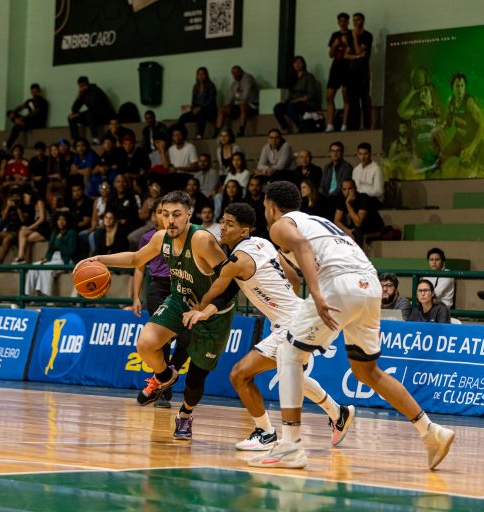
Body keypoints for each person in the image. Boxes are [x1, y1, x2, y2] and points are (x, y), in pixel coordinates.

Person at [244, 181, 454, 470]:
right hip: (369, 284)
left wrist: (316, 293)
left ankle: (290, 445)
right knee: (367, 371)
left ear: (270, 206)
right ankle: (431, 431)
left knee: (288, 354)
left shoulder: (280, 225)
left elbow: (302, 246)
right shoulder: (321, 222)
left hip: (338, 283)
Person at [183, 203, 355, 451]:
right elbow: (294, 278)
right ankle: (338, 413)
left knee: (239, 375)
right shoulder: (264, 243)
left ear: (244, 231)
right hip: (301, 315)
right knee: (292, 376)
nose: (223, 227)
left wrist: (199, 309)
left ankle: (265, 433)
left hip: (291, 324)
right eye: (223, 222)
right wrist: (280, 305)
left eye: (230, 224)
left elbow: (215, 291)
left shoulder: (236, 261)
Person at [76, 191, 238, 440]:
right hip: (180, 300)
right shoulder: (161, 237)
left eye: (176, 214)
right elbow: (135, 259)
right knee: (145, 343)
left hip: (213, 311)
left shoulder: (202, 240)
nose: (170, 220)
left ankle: (184, 416)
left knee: (195, 380)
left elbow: (230, 281)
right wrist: (98, 259)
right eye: (165, 214)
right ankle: (165, 376)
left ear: (189, 215)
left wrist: (206, 309)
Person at [126, 203, 189, 408]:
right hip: (158, 287)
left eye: (170, 213)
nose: (165, 216)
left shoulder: (186, 235)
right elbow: (138, 266)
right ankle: (162, 390)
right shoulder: (149, 237)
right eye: (161, 212)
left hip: (182, 287)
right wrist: (136, 297)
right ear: (156, 215)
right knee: (160, 341)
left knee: (188, 338)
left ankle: (168, 375)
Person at [26, 213, 78, 296]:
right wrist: (46, 258)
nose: (61, 222)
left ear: (68, 221)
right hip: (53, 259)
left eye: (63, 219)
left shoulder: (72, 233)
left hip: (65, 260)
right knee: (33, 267)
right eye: (59, 219)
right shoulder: (54, 233)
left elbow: (72, 251)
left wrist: (59, 242)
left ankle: (47, 297)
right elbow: (50, 250)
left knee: (46, 269)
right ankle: (29, 296)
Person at [441, 72, 484, 163]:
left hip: (472, 141)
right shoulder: (450, 101)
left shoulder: (469, 103)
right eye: (457, 86)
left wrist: (472, 147)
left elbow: (482, 126)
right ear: (452, 87)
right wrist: (440, 128)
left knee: (465, 164)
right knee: (442, 158)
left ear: (465, 87)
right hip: (458, 139)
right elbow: (448, 123)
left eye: (462, 86)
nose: (460, 89)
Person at [273, 56, 321, 133]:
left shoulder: (308, 77)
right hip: (294, 102)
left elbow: (312, 94)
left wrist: (298, 100)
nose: (297, 64)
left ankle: (300, 124)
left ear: (303, 64)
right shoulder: (293, 78)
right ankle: (284, 128)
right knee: (277, 108)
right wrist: (286, 100)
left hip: (306, 103)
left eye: (299, 62)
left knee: (290, 107)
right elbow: (291, 94)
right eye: (295, 63)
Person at [334, 179, 384, 245]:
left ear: (355, 189)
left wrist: (348, 204)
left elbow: (358, 223)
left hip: (374, 228)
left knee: (357, 232)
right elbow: (336, 221)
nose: (347, 192)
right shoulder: (342, 199)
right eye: (344, 189)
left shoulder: (363, 199)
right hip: (358, 228)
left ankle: (357, 251)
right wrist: (347, 231)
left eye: (350, 189)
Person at [346, 13, 374, 130]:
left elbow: (358, 50)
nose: (355, 22)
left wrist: (355, 37)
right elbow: (346, 54)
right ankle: (354, 126)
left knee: (364, 97)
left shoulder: (367, 35)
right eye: (353, 20)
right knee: (353, 99)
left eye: (357, 20)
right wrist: (357, 56)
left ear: (362, 20)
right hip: (352, 71)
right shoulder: (349, 35)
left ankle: (367, 125)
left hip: (362, 71)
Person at [68, 76, 116, 143]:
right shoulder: (83, 93)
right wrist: (79, 95)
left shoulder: (95, 90)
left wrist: (79, 114)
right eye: (80, 86)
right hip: (93, 117)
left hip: (105, 116)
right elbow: (74, 110)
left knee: (89, 115)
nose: (82, 88)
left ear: (88, 84)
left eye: (84, 85)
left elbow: (94, 108)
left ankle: (95, 138)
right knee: (70, 117)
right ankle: (76, 140)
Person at [324, 13, 351, 133]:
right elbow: (331, 55)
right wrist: (334, 46)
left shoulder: (352, 34)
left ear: (348, 22)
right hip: (336, 66)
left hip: (348, 66)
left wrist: (346, 43)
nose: (342, 23)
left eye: (345, 21)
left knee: (346, 95)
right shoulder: (335, 35)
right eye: (340, 21)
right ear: (338, 22)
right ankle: (330, 124)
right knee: (329, 96)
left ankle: (344, 124)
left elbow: (354, 50)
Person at [216, 65, 259, 137]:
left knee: (242, 106)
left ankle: (241, 130)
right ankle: (217, 132)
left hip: (251, 104)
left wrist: (239, 101)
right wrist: (227, 106)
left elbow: (245, 95)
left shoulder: (248, 78)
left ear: (241, 71)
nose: (235, 75)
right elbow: (230, 97)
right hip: (238, 105)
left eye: (237, 72)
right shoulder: (234, 83)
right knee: (221, 109)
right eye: (233, 73)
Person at [178, 67, 217, 139]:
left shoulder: (210, 85)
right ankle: (180, 134)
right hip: (197, 110)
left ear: (206, 75)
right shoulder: (195, 87)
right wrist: (193, 109)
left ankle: (200, 135)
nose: (201, 76)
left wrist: (200, 108)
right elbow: (193, 101)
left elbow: (211, 100)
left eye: (203, 74)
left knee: (201, 113)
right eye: (199, 74)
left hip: (209, 111)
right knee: (183, 117)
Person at [6, 83, 49, 148]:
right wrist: (14, 112)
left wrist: (21, 119)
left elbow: (34, 114)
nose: (34, 94)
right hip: (27, 121)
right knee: (9, 113)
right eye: (33, 92)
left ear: (39, 91)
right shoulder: (30, 101)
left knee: (16, 127)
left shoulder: (43, 102)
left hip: (37, 123)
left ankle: (8, 145)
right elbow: (21, 107)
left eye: (36, 91)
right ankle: (20, 123)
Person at [320, 141, 354, 213]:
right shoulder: (327, 167)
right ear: (330, 153)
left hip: (339, 196)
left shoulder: (347, 167)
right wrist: (323, 195)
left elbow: (341, 187)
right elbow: (322, 185)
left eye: (338, 151)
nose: (335, 153)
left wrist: (328, 197)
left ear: (342, 153)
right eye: (333, 151)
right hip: (326, 196)